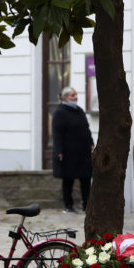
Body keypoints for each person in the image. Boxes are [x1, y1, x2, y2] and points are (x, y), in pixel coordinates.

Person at [51, 85, 93, 213]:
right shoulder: (59, 112)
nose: (76, 97)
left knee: (86, 179)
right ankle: (68, 206)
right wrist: (59, 151)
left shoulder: (79, 111)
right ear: (65, 98)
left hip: (83, 152)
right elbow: (57, 134)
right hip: (69, 152)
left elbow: (86, 129)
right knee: (68, 180)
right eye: (72, 95)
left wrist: (91, 142)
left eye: (76, 95)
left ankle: (87, 205)